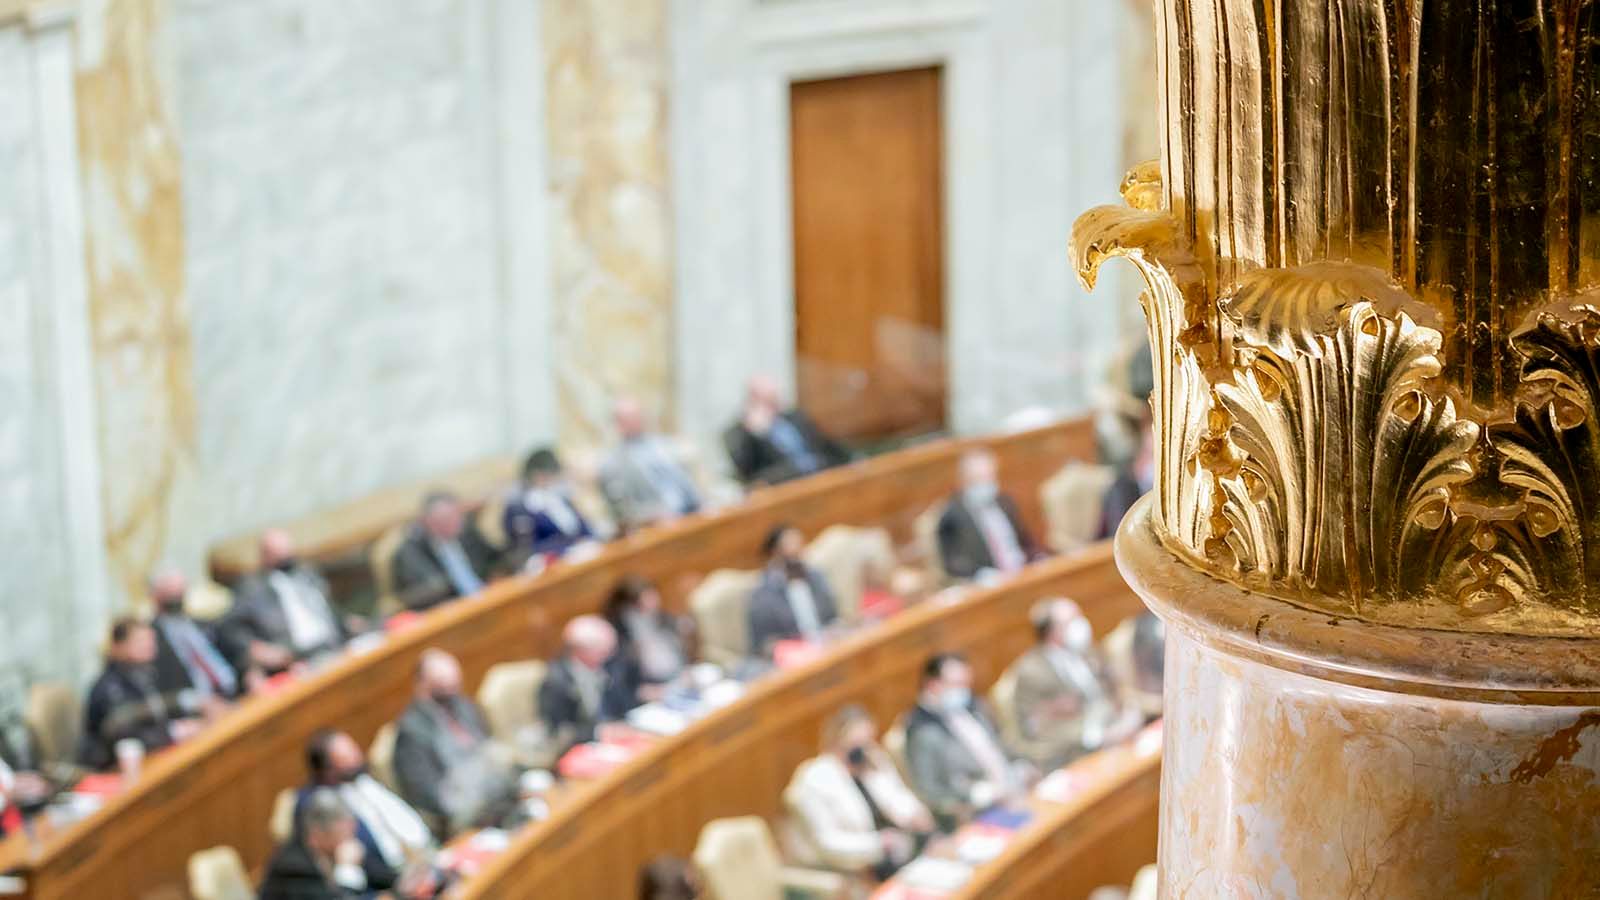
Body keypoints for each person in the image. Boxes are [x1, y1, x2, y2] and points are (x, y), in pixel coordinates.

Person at [784, 705, 934, 881]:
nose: (863, 750)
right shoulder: (814, 780)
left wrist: (914, 814)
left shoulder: (872, 759)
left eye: (867, 742)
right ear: (835, 742)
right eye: (855, 745)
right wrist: (878, 843)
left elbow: (897, 795)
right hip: (856, 866)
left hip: (898, 848)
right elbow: (826, 841)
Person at [392, 650, 517, 835]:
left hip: (495, 791)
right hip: (463, 812)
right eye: (443, 683)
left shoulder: (460, 704)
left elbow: (486, 745)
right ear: (422, 684)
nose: (453, 690)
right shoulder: (411, 731)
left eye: (454, 683)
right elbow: (428, 794)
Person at [298, 730, 436, 893]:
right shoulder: (323, 805)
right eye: (346, 757)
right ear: (327, 771)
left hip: (423, 858)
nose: (357, 758)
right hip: (388, 882)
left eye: (354, 751)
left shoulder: (365, 780)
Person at [1008, 599, 1140, 769]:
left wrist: (1127, 714)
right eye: (1072, 620)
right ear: (1052, 631)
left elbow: (1110, 690)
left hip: (1116, 732)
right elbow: (1034, 728)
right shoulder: (1032, 672)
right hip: (1075, 754)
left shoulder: (1086, 651)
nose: (1081, 624)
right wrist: (1098, 737)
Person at [904, 653, 1023, 831]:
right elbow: (930, 792)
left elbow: (1000, 743)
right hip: (979, 813)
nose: (964, 691)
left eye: (966, 684)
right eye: (957, 684)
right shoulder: (922, 732)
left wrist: (1020, 765)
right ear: (933, 685)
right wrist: (974, 795)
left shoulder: (972, 706)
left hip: (1015, 789)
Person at [78, 618, 215, 770]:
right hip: (113, 768)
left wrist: (191, 716)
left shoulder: (145, 672)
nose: (149, 646)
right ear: (119, 646)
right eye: (140, 641)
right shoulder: (108, 688)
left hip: (156, 757)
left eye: (151, 640)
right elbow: (123, 737)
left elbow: (160, 711)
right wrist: (173, 732)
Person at [221, 529, 349, 682]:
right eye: (279, 554)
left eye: (288, 552)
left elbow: (330, 612)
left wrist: (348, 623)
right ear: (265, 556)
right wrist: (252, 648)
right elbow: (229, 629)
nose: (286, 558)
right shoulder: (252, 588)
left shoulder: (306, 574)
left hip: (334, 647)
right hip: (295, 659)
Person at [722, 375, 851, 486]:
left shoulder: (794, 416)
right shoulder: (740, 433)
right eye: (768, 399)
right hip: (788, 486)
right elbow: (748, 473)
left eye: (775, 397)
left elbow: (825, 445)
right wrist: (757, 434)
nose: (775, 403)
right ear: (753, 400)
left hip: (823, 474)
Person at [539, 616, 641, 755]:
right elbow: (558, 731)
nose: (608, 656)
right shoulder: (556, 682)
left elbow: (622, 704)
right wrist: (598, 731)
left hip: (615, 740)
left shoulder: (607, 666)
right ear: (580, 650)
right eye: (602, 652)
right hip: (580, 750)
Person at [936, 449, 1043, 580]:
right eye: (978, 478)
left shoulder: (1005, 502)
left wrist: (1037, 557)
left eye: (990, 476)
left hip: (1023, 573)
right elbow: (953, 563)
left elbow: (1026, 541)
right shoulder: (952, 516)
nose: (986, 483)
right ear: (964, 480)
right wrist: (979, 574)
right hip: (990, 582)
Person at [599, 397, 702, 533]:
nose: (637, 420)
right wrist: (651, 518)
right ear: (618, 424)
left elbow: (688, 483)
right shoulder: (612, 465)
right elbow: (622, 512)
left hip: (692, 514)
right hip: (655, 528)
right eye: (629, 418)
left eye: (638, 415)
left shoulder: (666, 445)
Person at [391, 492, 503, 611]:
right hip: (452, 612)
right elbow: (411, 596)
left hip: (488, 599)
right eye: (444, 519)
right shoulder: (412, 552)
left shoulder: (468, 533)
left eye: (456, 516)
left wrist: (497, 575)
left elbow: (496, 559)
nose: (453, 523)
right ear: (427, 522)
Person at [259, 787, 372, 899]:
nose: (350, 841)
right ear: (317, 834)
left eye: (351, 832)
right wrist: (347, 868)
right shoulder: (293, 869)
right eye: (343, 835)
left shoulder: (330, 853)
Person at [747, 525, 840, 659]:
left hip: (828, 647)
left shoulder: (816, 577)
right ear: (775, 552)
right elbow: (763, 645)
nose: (797, 551)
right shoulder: (762, 594)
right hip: (794, 657)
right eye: (790, 545)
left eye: (800, 544)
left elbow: (832, 616)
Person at [148, 565, 239, 701]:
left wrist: (250, 669)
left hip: (234, 691)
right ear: (155, 596)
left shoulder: (201, 623)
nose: (177, 600)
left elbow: (231, 650)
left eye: (180, 594)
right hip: (198, 704)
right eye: (171, 596)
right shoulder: (152, 639)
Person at [502, 447, 598, 565]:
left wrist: (590, 539)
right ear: (536, 475)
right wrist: (569, 546)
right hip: (555, 562)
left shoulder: (559, 497)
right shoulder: (519, 507)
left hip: (585, 554)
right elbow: (525, 547)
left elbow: (584, 527)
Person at [604, 576, 693, 689]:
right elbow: (623, 671)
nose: (655, 602)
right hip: (649, 686)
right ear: (632, 604)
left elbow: (677, 647)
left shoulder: (661, 616)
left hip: (678, 675)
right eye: (647, 599)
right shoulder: (620, 631)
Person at [0, 713, 59, 836]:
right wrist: (9, 795)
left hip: (18, 822)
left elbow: (8, 780)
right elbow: (8, 791)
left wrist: (31, 781)